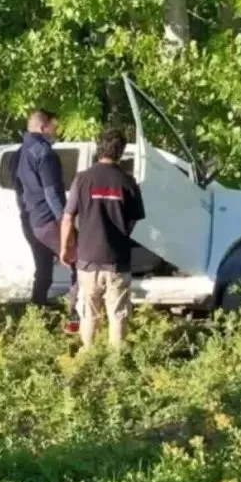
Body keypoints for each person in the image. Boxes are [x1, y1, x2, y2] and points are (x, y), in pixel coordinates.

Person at [59, 127, 145, 351]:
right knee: (118, 313)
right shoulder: (128, 182)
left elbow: (67, 218)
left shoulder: (82, 179)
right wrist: (119, 234)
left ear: (99, 149)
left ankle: (89, 356)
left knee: (89, 312)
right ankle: (115, 362)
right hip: (117, 260)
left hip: (88, 259)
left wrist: (65, 249)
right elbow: (134, 220)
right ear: (121, 152)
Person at [10, 109, 79, 332]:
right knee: (80, 261)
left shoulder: (18, 154)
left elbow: (19, 191)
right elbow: (52, 193)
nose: (56, 132)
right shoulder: (44, 153)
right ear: (43, 127)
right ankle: (76, 317)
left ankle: (36, 317)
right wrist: (65, 224)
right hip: (48, 220)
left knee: (43, 269)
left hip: (30, 221)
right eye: (54, 127)